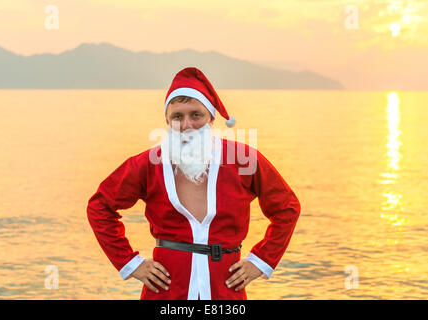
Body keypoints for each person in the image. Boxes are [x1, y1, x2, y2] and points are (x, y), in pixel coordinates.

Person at [86, 67, 301, 300]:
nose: (187, 124)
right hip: (165, 293)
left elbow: (287, 208)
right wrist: (131, 263)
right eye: (178, 116)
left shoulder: (243, 159)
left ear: (210, 117)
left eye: (195, 115)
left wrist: (260, 261)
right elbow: (100, 206)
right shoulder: (148, 164)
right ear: (167, 120)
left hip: (225, 291)